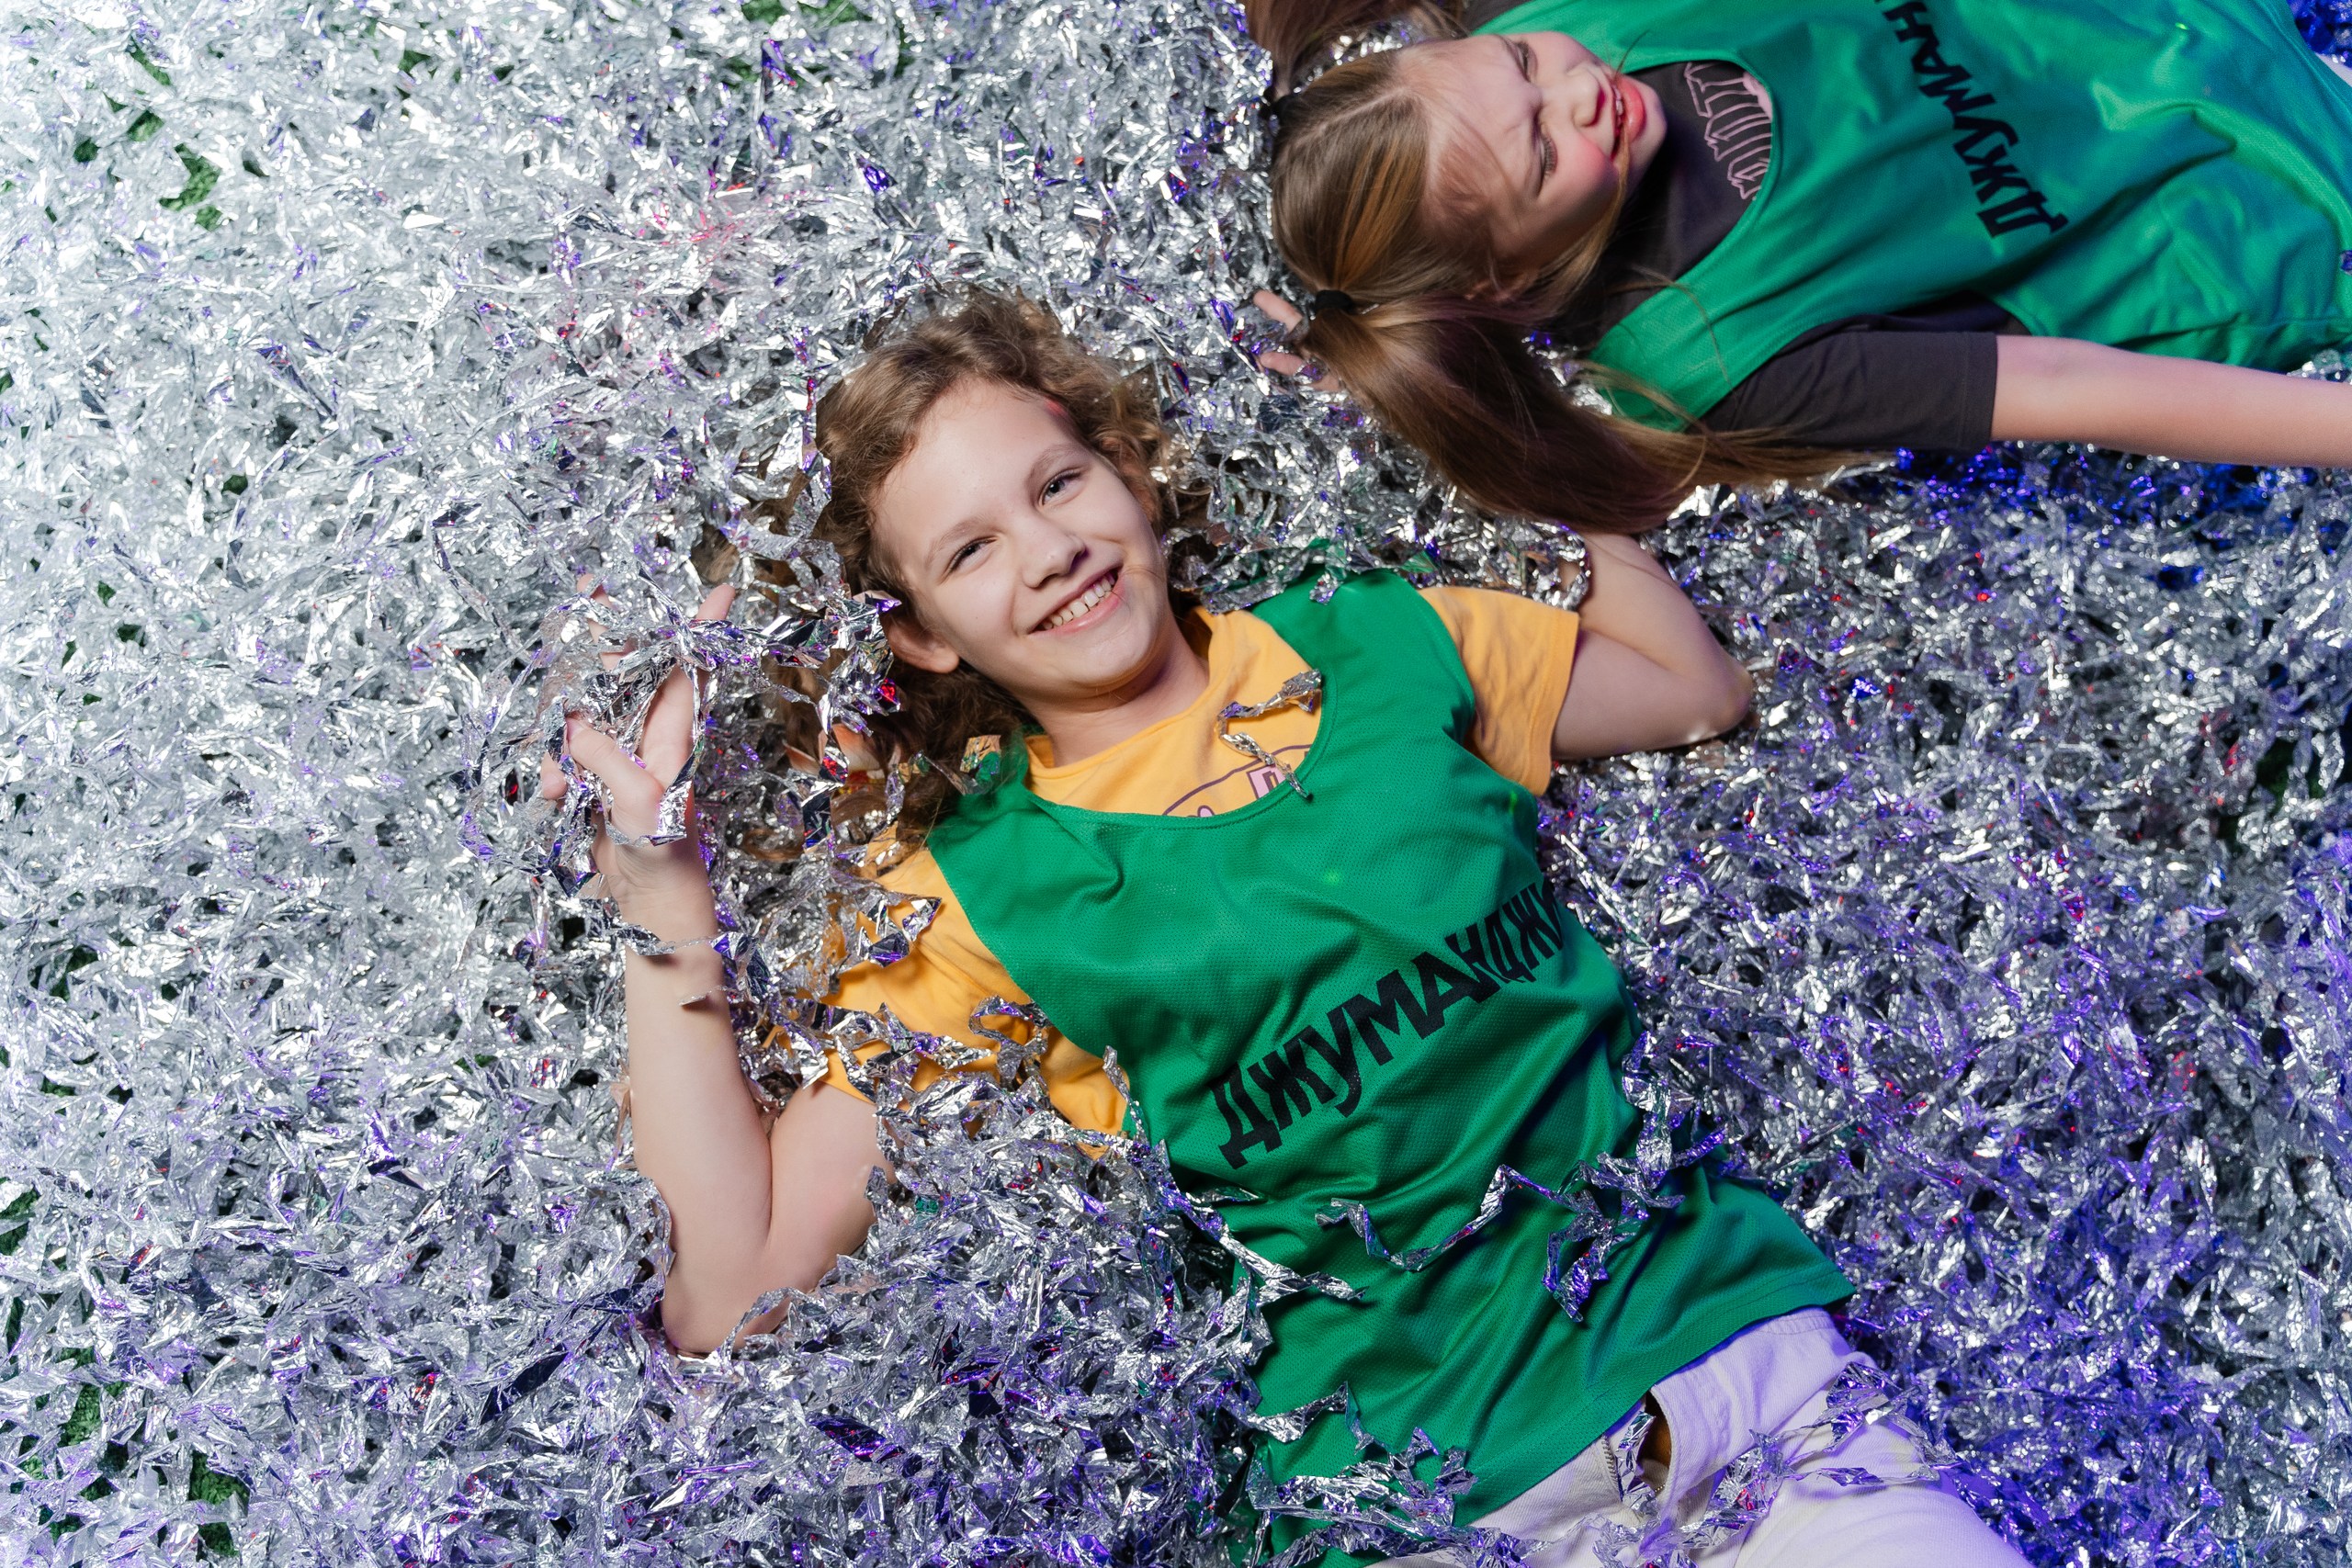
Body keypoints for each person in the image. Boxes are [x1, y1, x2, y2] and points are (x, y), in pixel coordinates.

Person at [548, 292, 2029, 1565]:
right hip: (1440, 1510)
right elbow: (733, 1288)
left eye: (1060, 483)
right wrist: (665, 905)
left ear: (1130, 471)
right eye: (972, 549)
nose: (1050, 550)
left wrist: (1493, 420)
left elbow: (1690, 688)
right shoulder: (982, 892)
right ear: (923, 633)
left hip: (1747, 1378)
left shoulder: (1382, 636)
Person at [1247, 0, 2352, 532]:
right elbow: (2076, 389)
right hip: (2258, 200)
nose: (1576, 91)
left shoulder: (1554, 17)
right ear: (1498, 281)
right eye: (1542, 153)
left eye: (1522, 62)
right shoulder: (1718, 350)